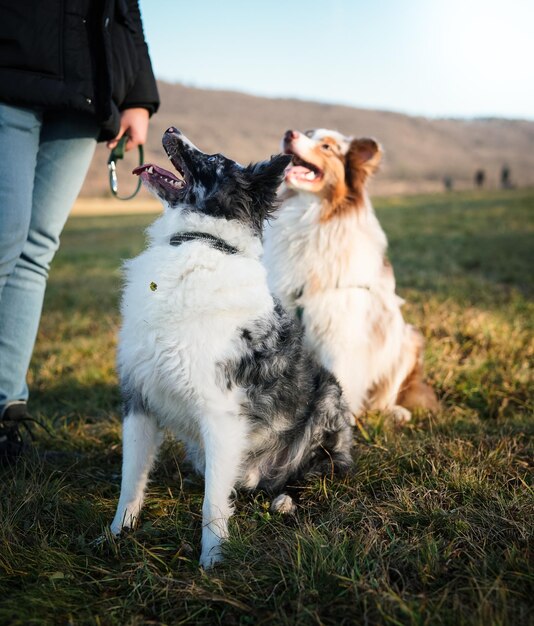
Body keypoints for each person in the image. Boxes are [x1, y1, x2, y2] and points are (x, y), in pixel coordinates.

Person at [0, 0, 160, 461]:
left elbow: (126, 9)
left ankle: (5, 417)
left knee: (36, 249)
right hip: (12, 68)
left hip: (85, 91)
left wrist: (137, 97)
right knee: (6, 237)